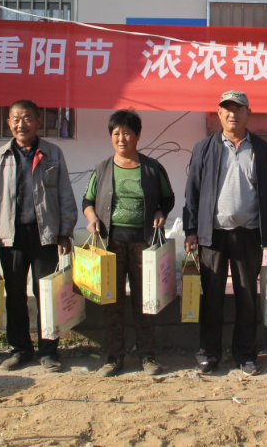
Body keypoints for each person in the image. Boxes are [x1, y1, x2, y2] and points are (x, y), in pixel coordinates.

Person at [183, 90, 267, 376]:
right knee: (212, 296)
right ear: (219, 113)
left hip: (248, 233)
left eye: (238, 109)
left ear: (248, 113)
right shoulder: (204, 148)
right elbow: (192, 192)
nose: (232, 114)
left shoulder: (262, 150)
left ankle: (246, 355)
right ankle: (208, 354)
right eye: (227, 109)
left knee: (247, 296)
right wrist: (191, 230)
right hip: (212, 236)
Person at [0, 99, 78, 372]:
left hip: (44, 235)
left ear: (38, 121)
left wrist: (65, 233)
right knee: (14, 295)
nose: (21, 124)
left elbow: (65, 194)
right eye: (15, 119)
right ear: (8, 123)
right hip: (10, 237)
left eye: (26, 118)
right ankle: (20, 349)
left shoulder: (53, 153)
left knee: (47, 293)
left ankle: (48, 351)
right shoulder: (0, 156)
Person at [82, 109, 176, 377]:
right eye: (116, 134)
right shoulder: (101, 168)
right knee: (111, 303)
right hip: (110, 246)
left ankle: (147, 356)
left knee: (145, 301)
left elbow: (168, 198)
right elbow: (87, 201)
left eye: (126, 133)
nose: (121, 139)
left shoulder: (152, 168)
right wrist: (92, 218)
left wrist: (161, 212)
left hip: (143, 245)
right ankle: (114, 357)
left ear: (138, 135)